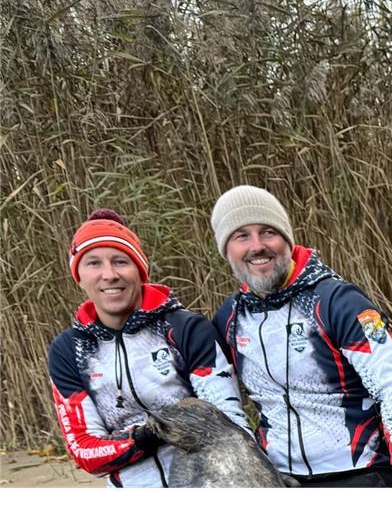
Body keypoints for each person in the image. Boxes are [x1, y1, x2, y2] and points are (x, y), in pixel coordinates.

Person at [209, 185, 392, 487]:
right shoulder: (230, 318)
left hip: (359, 473)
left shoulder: (337, 301)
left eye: (268, 232)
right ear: (226, 249)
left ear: (287, 239)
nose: (257, 246)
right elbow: (215, 400)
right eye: (241, 236)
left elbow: (391, 387)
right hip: (278, 479)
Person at [48, 209, 250, 487]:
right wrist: (145, 437)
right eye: (93, 263)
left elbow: (228, 425)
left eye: (121, 261)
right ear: (79, 276)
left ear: (140, 270)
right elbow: (85, 451)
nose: (109, 275)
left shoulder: (186, 329)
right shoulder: (69, 350)